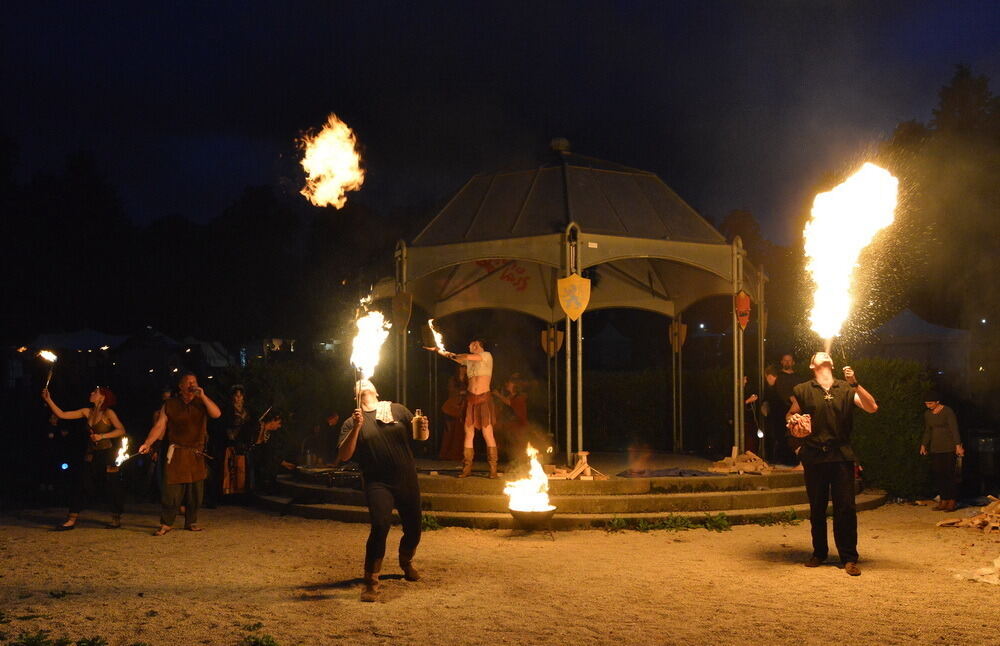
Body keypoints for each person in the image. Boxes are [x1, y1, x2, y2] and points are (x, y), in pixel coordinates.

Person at [786, 352, 878, 576]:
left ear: (832, 364)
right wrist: (793, 422)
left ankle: (848, 557)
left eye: (825, 355)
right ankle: (819, 553)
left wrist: (855, 383)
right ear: (811, 365)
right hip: (814, 456)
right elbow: (790, 415)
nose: (822, 355)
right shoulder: (803, 389)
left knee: (845, 507)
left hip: (841, 455)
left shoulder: (846, 388)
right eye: (817, 355)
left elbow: (872, 407)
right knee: (817, 507)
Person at [337, 379, 429, 602]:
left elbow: (421, 438)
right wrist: (358, 426)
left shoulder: (397, 410)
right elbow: (344, 455)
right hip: (377, 482)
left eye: (367, 381)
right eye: (358, 384)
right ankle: (371, 581)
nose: (363, 383)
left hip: (406, 478)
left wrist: (424, 428)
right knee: (380, 526)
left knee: (414, 527)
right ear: (356, 396)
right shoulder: (352, 421)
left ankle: (406, 562)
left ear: (377, 390)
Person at [138, 372, 221, 535]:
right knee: (172, 491)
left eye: (194, 381)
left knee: (196, 492)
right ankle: (167, 523)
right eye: (188, 382)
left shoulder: (201, 402)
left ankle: (191, 521)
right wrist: (148, 443)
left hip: (196, 453)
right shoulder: (170, 404)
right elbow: (160, 426)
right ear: (181, 386)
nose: (192, 384)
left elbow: (217, 414)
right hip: (177, 452)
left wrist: (203, 396)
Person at [42, 386, 127, 530]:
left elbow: (121, 430)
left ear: (102, 397)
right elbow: (62, 414)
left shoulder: (108, 413)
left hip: (107, 455)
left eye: (95, 392)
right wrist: (48, 400)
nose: (91, 393)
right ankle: (71, 519)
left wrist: (102, 436)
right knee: (80, 483)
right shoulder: (87, 411)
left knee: (111, 485)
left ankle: (116, 518)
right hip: (90, 454)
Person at [425, 338, 498, 478]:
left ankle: (493, 469)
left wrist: (456, 356)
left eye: (471, 344)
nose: (469, 345)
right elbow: (453, 357)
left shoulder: (486, 355)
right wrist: (438, 350)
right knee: (468, 433)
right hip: (471, 399)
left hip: (484, 399)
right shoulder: (468, 361)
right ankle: (466, 468)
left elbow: (462, 356)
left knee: (487, 434)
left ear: (477, 345)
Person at [920, 392, 964, 512]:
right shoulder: (928, 414)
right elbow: (928, 430)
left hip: (948, 446)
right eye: (926, 404)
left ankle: (952, 500)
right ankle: (943, 499)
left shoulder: (947, 412)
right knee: (939, 474)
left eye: (930, 403)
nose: (928, 406)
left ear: (937, 402)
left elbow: (954, 428)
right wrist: (924, 444)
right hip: (936, 447)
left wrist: (958, 445)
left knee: (949, 473)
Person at [764, 353, 800, 465]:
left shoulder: (797, 377)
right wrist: (793, 401)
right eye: (785, 360)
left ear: (793, 362)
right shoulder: (779, 377)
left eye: (789, 360)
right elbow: (783, 392)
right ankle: (782, 459)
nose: (787, 362)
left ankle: (794, 459)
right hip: (781, 411)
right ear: (781, 362)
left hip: (796, 410)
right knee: (781, 436)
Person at [494, 374, 528, 459]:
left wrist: (498, 395)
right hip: (509, 423)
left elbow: (511, 403)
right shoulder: (509, 396)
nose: (507, 384)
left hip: (517, 425)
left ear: (515, 385)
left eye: (509, 382)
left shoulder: (520, 397)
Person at [438, 365, 467, 462]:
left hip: (462, 408)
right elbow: (451, 391)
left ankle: (456, 454)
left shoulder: (467, 380)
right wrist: (461, 392)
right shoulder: (453, 379)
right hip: (451, 407)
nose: (463, 369)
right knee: (449, 431)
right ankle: (445, 454)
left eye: (465, 367)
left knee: (459, 432)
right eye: (462, 367)